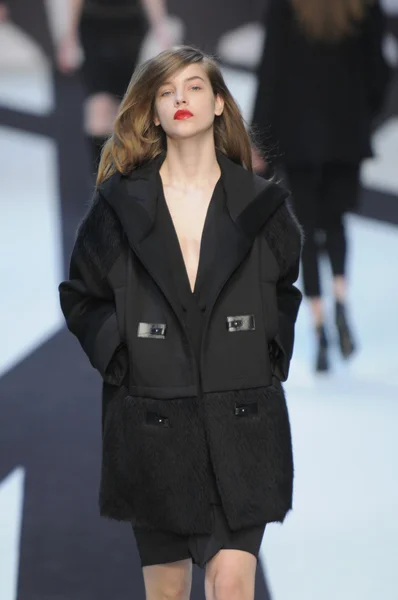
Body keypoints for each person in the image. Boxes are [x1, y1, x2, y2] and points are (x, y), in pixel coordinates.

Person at [59, 45, 302, 600]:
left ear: (219, 103)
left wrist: (269, 351)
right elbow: (82, 294)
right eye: (166, 92)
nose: (180, 99)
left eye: (193, 88)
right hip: (154, 425)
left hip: (244, 422)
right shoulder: (120, 205)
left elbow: (283, 283)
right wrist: (120, 355)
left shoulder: (261, 205)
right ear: (153, 111)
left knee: (232, 585)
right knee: (167, 593)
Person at [252, 0, 391, 372]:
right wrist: (364, 110)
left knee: (307, 228)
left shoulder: (286, 7)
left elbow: (271, 70)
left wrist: (261, 140)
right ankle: (341, 299)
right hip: (346, 127)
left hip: (297, 131)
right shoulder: (364, 6)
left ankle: (319, 328)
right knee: (336, 222)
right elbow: (379, 70)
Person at [56, 0, 171, 175]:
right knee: (99, 102)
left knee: (122, 105)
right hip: (94, 23)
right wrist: (69, 35)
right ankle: (101, 179)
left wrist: (160, 26)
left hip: (129, 23)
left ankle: (118, 178)